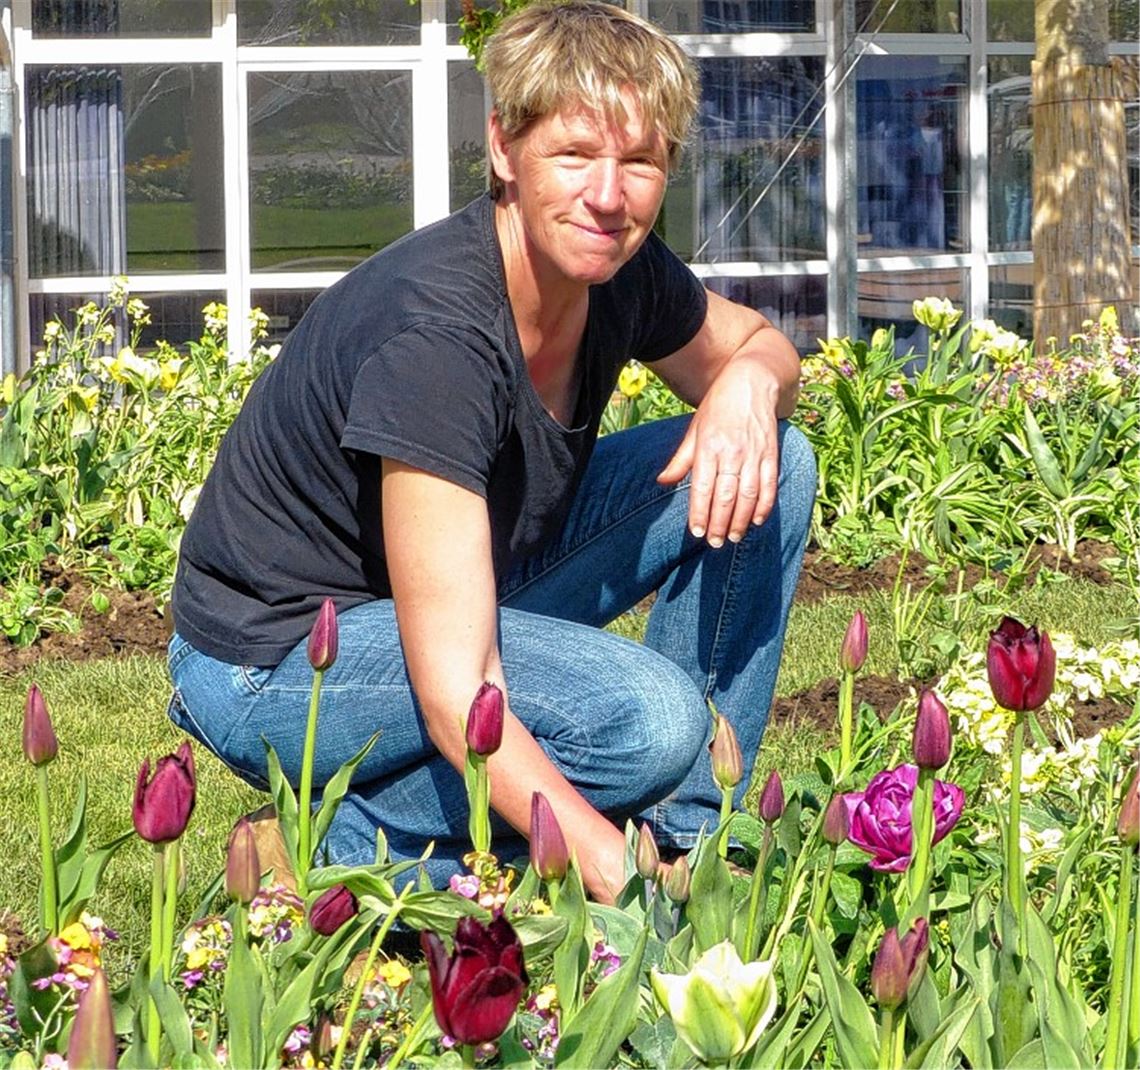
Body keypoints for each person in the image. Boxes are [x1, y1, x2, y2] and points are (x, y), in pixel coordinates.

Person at [166, 0, 815, 905]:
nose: (608, 193)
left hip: (448, 586)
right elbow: (456, 690)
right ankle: (337, 843)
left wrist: (748, 383)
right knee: (650, 723)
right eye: (575, 154)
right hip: (272, 659)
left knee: (776, 460)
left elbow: (759, 346)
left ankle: (691, 841)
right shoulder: (437, 337)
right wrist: (607, 875)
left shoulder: (618, 267)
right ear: (504, 147)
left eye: (638, 161)